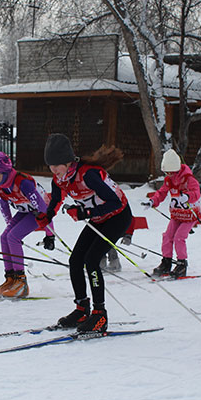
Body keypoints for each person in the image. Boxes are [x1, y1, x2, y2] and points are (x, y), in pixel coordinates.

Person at [40, 134, 132, 332]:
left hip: (118, 216)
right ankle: (82, 309)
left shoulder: (88, 174)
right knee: (75, 260)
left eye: (57, 165)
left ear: (68, 161)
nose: (54, 170)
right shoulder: (60, 180)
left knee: (91, 260)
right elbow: (56, 201)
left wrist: (85, 212)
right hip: (99, 219)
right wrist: (46, 217)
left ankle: (100, 315)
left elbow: (114, 202)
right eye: (50, 166)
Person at [0, 151, 54, 297]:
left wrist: (50, 235)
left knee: (13, 237)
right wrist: (9, 226)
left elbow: (43, 208)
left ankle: (21, 283)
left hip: (38, 212)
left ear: (5, 172)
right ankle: (11, 279)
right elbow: (4, 207)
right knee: (4, 237)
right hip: (24, 210)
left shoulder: (23, 182)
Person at [146, 149, 201, 279]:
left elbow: (196, 193)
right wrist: (153, 201)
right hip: (177, 215)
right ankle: (166, 262)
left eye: (170, 172)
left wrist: (187, 197)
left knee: (179, 238)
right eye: (166, 172)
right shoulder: (169, 180)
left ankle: (182, 264)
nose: (168, 175)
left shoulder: (189, 179)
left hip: (190, 215)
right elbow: (162, 192)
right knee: (167, 236)